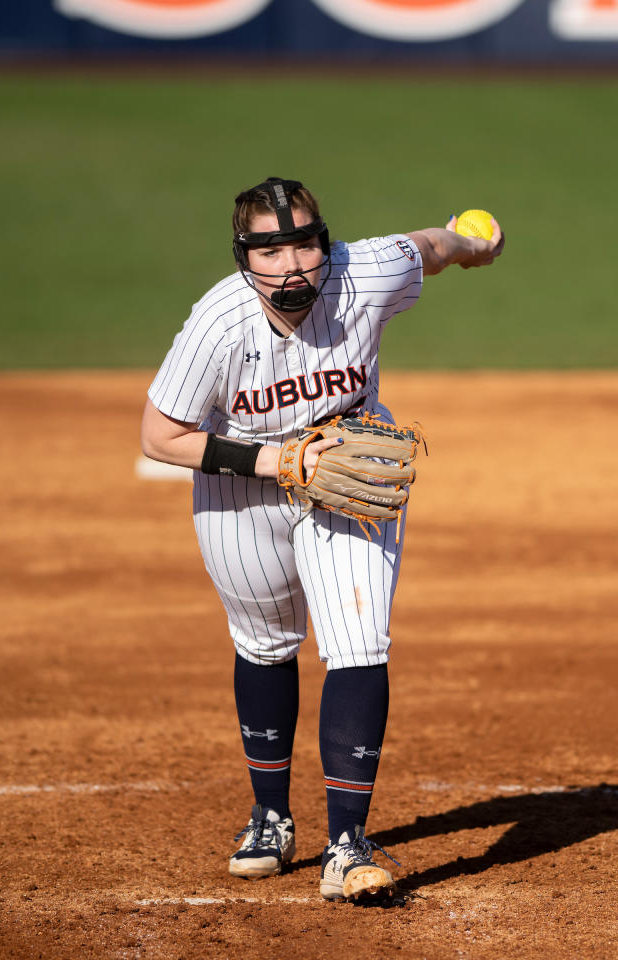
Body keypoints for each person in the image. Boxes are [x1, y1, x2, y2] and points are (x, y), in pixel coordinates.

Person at [141, 176, 504, 902]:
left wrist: (470, 245)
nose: (292, 265)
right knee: (267, 645)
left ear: (324, 243)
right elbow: (161, 435)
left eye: (305, 244)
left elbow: (427, 247)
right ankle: (271, 816)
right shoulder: (220, 323)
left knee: (360, 640)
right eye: (270, 251)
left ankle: (348, 845)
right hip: (242, 491)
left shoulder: (363, 272)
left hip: (348, 475)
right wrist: (276, 460)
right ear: (244, 257)